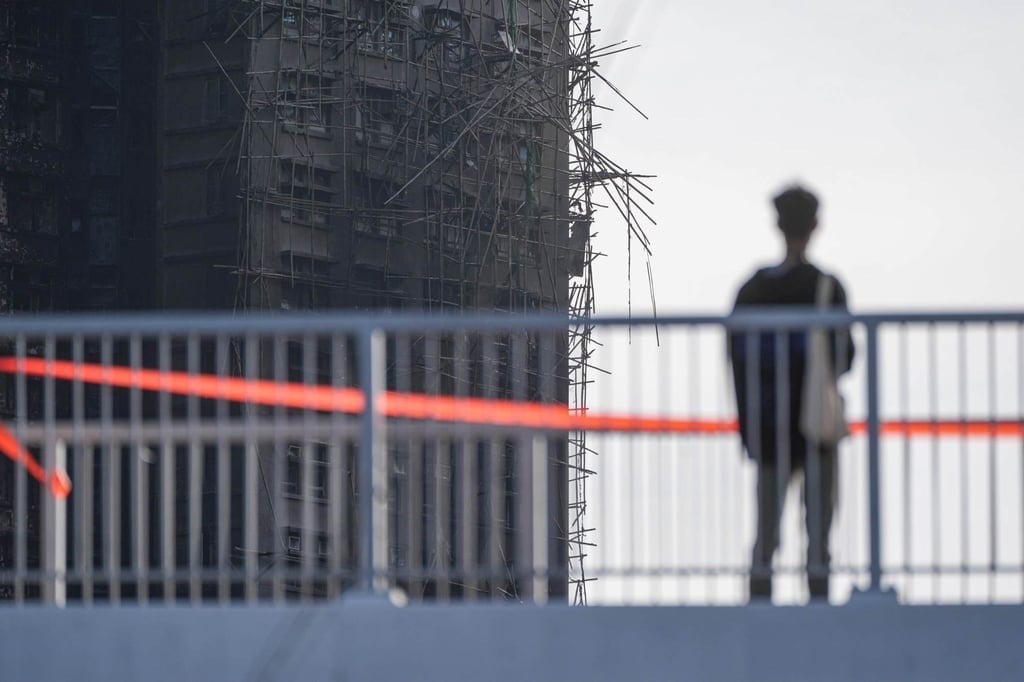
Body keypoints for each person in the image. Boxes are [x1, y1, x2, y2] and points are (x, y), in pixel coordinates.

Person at [728, 184, 855, 602]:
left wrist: (747, 427)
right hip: (815, 426)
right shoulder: (827, 288)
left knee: (765, 537)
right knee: (818, 536)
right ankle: (817, 612)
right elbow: (844, 358)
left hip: (767, 429)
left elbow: (736, 358)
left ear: (777, 225)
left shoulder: (752, 291)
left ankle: (759, 612)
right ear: (815, 225)